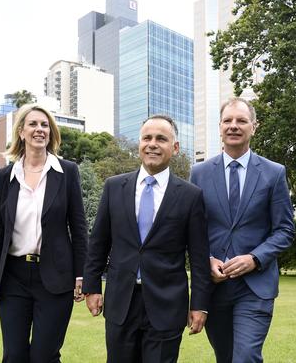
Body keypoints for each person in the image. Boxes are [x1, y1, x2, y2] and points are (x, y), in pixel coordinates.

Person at [83, 114, 212, 363]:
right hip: (121, 302)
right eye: (147, 138)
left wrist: (199, 305)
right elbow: (98, 243)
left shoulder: (190, 196)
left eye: (161, 139)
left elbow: (198, 257)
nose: (153, 144)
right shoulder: (113, 187)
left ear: (174, 148)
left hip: (167, 305)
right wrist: (91, 287)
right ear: (139, 144)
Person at [0, 103, 88, 362]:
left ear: (51, 133)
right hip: (13, 277)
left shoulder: (67, 172)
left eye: (45, 125)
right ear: (21, 132)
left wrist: (82, 274)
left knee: (44, 356)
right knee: (13, 355)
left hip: (55, 278)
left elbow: (79, 227)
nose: (40, 129)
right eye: (33, 124)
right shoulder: (6, 176)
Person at [190, 97, 295, 363]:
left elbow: (284, 230)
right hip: (215, 287)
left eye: (241, 121)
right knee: (225, 357)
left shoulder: (274, 173)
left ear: (254, 127)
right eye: (228, 121)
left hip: (255, 286)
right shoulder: (199, 173)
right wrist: (206, 260)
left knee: (246, 356)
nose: (234, 126)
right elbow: (192, 231)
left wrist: (254, 258)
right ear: (220, 126)